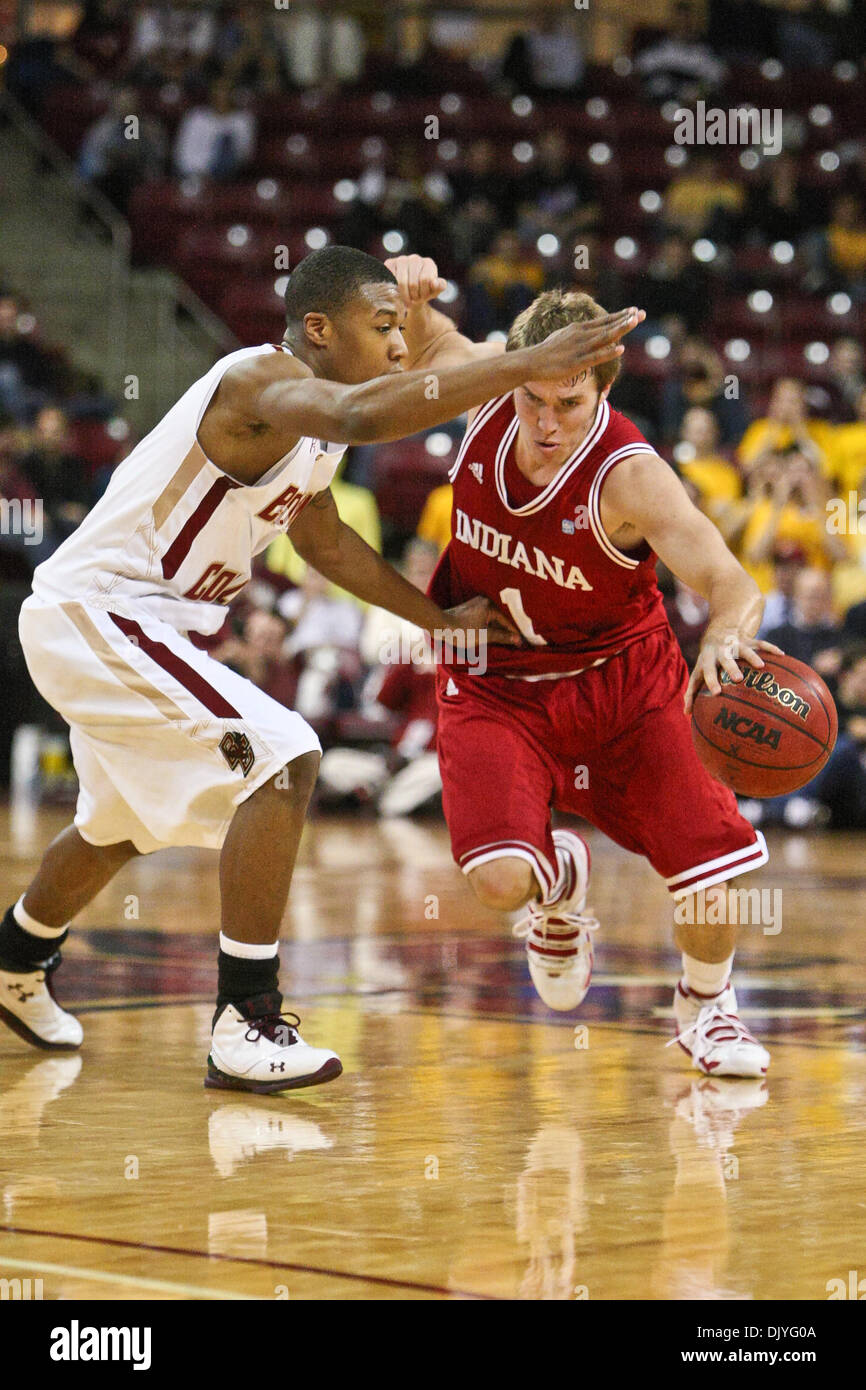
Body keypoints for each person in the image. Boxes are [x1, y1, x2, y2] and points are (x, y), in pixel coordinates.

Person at [0, 245, 641, 1092]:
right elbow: (364, 416)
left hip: (147, 628)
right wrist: (525, 362)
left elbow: (326, 542)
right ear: (317, 329)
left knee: (119, 826)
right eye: (381, 330)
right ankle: (245, 1018)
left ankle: (14, 964)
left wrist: (438, 621)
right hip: (100, 613)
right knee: (285, 756)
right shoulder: (261, 384)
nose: (399, 346)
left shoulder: (313, 433)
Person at [389, 252, 780, 1079]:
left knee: (713, 871)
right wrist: (414, 293)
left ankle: (708, 1008)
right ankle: (558, 882)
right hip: (494, 681)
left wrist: (723, 634)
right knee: (499, 883)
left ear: (604, 392)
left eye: (570, 403)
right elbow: (431, 345)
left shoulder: (631, 477)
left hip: (625, 683)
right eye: (534, 397)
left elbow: (732, 583)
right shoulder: (488, 397)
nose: (548, 421)